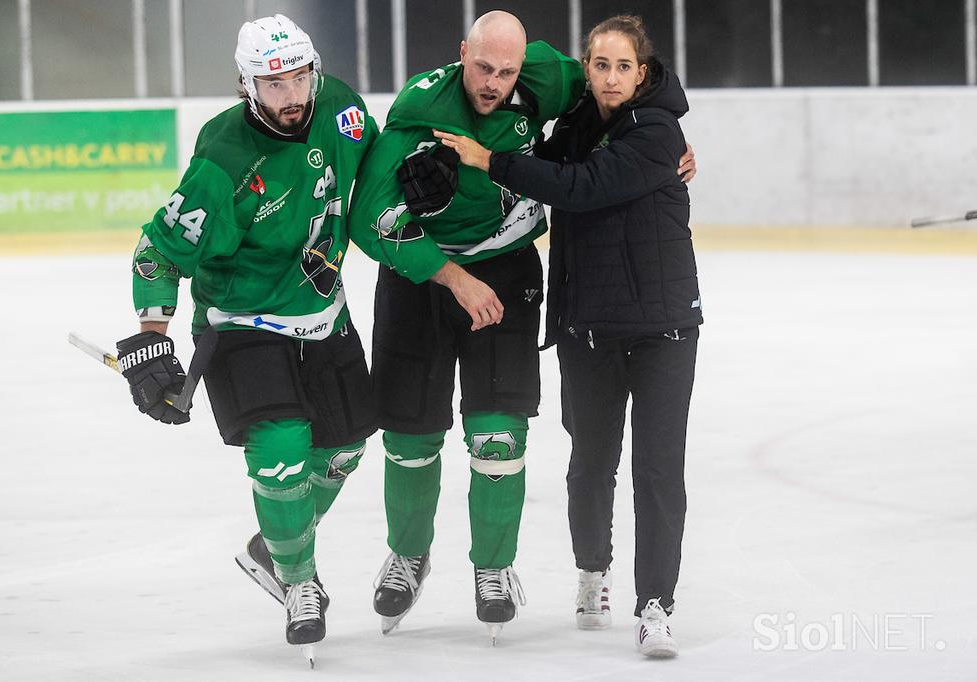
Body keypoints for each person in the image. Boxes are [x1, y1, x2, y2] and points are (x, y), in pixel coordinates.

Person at [348, 11, 694, 642]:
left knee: (498, 438)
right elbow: (368, 217)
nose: (495, 82)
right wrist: (447, 270)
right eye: (483, 67)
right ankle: (409, 552)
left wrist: (669, 142)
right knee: (410, 437)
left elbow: (606, 115)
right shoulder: (420, 105)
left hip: (511, 276)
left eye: (507, 71)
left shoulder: (544, 77)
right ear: (461, 55)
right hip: (423, 279)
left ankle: (496, 568)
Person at [114, 14, 377, 665]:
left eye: (298, 77)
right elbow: (158, 250)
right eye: (273, 82)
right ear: (246, 84)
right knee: (282, 454)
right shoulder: (223, 158)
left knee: (343, 450)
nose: (290, 94)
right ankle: (298, 579)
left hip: (322, 312)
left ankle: (274, 547)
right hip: (241, 322)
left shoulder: (343, 109)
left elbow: (376, 176)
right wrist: (151, 340)